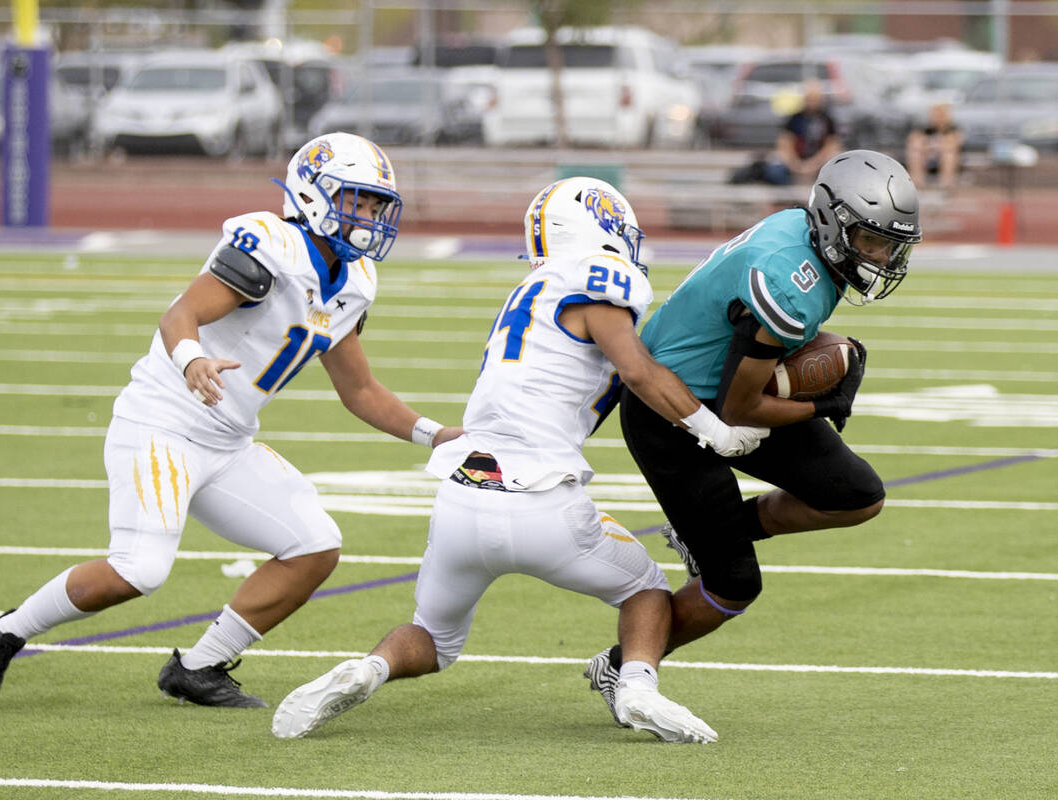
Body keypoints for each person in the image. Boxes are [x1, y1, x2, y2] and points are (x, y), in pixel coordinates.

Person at [0, 132, 463, 711]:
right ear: (315, 195)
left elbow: (361, 389)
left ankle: (199, 666)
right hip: (163, 423)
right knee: (140, 569)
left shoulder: (354, 281)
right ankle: (5, 633)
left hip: (228, 441)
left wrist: (434, 434)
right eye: (359, 201)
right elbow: (183, 314)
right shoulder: (272, 243)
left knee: (315, 545)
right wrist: (192, 358)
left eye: (377, 205)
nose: (370, 216)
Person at [270, 177, 768, 743]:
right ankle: (636, 687)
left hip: (462, 494)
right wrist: (714, 431)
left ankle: (369, 668)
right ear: (600, 226)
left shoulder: (533, 289)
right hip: (541, 502)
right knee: (647, 590)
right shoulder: (596, 277)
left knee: (431, 638)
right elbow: (636, 371)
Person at [582, 150, 921, 727]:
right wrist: (824, 401)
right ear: (834, 222)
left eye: (891, 245)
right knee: (734, 582)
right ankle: (623, 666)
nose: (882, 258)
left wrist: (827, 359)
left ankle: (711, 532)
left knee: (858, 495)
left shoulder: (802, 235)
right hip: (673, 411)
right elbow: (742, 410)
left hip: (723, 386)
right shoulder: (790, 280)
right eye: (870, 241)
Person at [732, 80, 842, 186]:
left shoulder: (827, 119)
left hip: (819, 164)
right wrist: (796, 165)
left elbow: (832, 145)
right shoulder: (795, 118)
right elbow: (784, 143)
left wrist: (813, 165)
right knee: (774, 172)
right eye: (809, 98)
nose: (811, 102)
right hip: (795, 164)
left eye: (815, 99)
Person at [905, 101, 963, 190]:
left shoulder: (952, 129)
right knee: (915, 154)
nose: (938, 118)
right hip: (926, 157)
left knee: (949, 154)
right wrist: (930, 148)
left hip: (943, 158)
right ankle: (917, 183)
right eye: (936, 115)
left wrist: (931, 146)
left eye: (941, 115)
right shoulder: (923, 128)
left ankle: (946, 184)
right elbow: (913, 142)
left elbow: (953, 144)